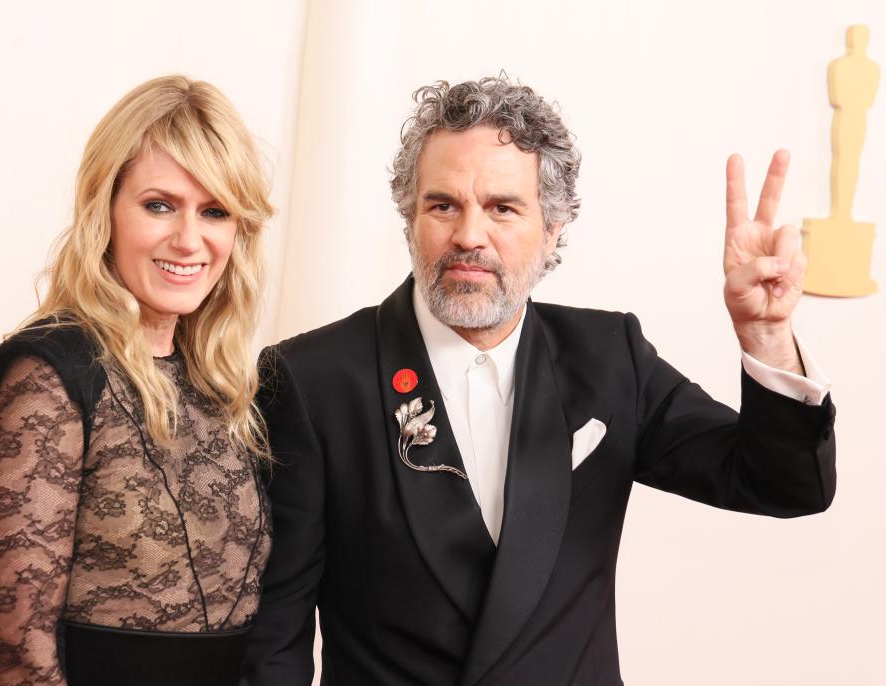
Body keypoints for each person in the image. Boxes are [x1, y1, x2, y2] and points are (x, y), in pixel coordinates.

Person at [243, 77, 836, 686]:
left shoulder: (610, 358)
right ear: (409, 218)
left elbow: (783, 486)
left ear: (552, 228)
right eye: (443, 204)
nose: (469, 235)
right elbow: (274, 640)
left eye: (502, 207)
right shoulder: (312, 379)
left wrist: (765, 335)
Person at [0, 75, 273, 686]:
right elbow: (17, 657)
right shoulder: (49, 373)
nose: (189, 240)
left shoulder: (224, 384)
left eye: (214, 211)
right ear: (105, 207)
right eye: (159, 204)